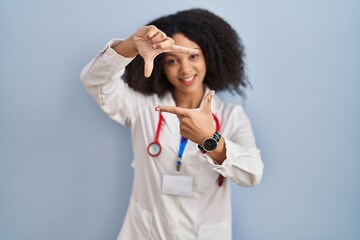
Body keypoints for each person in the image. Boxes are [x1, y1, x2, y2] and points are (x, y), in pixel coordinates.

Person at [80, 8, 264, 240]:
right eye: (172, 60)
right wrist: (130, 47)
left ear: (209, 56)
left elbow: (253, 174)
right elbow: (95, 81)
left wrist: (211, 141)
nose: (185, 69)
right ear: (161, 65)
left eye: (193, 56)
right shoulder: (142, 108)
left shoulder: (231, 116)